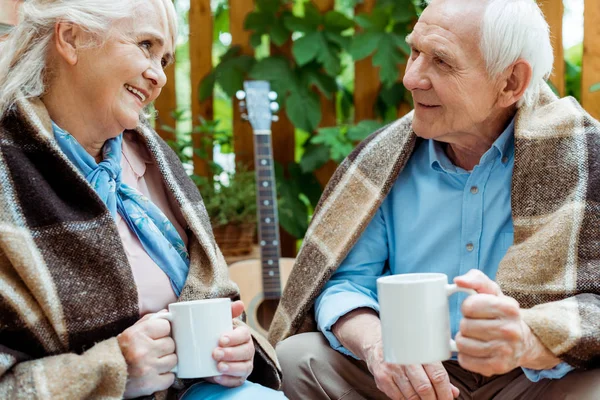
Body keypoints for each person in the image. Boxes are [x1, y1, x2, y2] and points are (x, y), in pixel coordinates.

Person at [270, 0, 600, 399]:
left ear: (510, 82)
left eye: (441, 62)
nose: (411, 77)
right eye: (414, 52)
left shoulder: (584, 156)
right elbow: (344, 285)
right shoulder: (382, 162)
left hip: (533, 376)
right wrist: (378, 346)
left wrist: (532, 339)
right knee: (295, 359)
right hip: (411, 376)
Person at [0, 1, 286, 398]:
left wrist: (236, 348)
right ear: (71, 38)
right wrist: (111, 371)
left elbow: (216, 296)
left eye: (166, 59)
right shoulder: (7, 168)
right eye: (146, 45)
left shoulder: (153, 158)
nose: (160, 76)